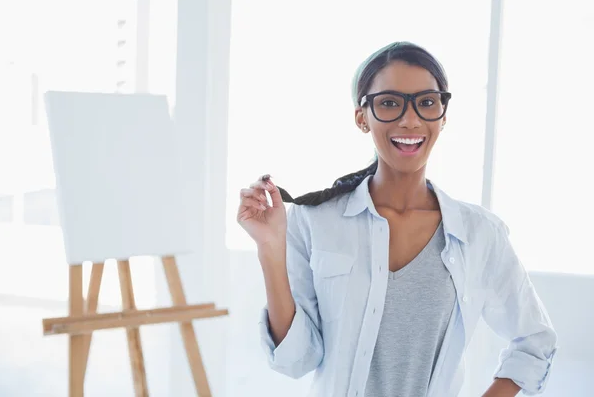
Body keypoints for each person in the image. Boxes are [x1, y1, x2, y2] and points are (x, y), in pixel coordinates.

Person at [236, 41, 557, 397]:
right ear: (362, 117)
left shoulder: (480, 234)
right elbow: (297, 360)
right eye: (389, 103)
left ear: (443, 114)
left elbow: (535, 339)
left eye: (426, 102)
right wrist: (269, 247)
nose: (410, 119)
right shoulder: (314, 221)